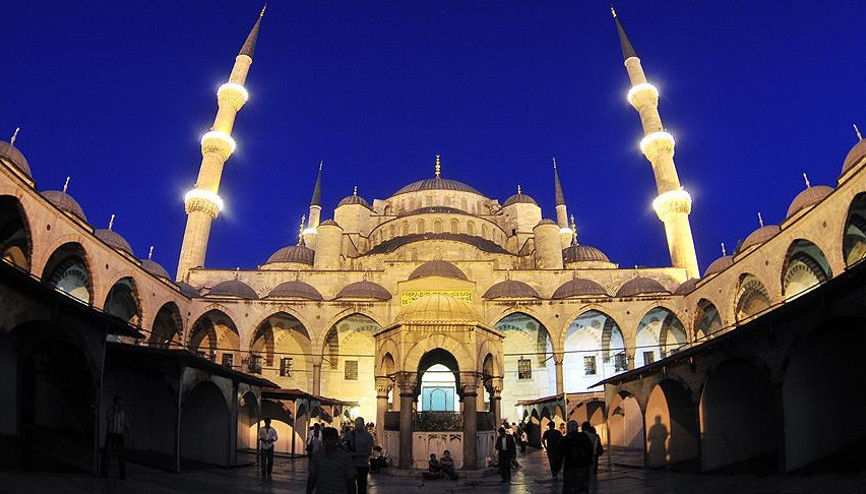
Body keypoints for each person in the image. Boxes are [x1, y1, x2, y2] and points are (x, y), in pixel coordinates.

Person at [307, 427, 357, 494]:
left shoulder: (345, 457)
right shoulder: (317, 456)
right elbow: (312, 477)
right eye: (325, 439)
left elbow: (351, 481)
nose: (328, 442)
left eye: (331, 439)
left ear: (336, 440)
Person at [558, 420, 594, 494]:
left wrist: (557, 467)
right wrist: (590, 462)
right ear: (577, 428)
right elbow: (590, 450)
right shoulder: (584, 436)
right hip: (583, 466)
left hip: (570, 467)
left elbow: (560, 454)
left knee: (569, 487)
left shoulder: (565, 439)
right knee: (583, 487)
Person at [101, 395, 127, 479]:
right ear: (115, 402)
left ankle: (122, 474)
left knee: (121, 455)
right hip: (111, 434)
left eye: (121, 403)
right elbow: (110, 419)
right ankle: (103, 472)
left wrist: (127, 429)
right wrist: (115, 412)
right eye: (118, 402)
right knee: (107, 453)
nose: (120, 405)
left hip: (119, 435)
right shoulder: (110, 410)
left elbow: (123, 423)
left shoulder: (122, 412)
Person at [346, 416, 374, 494]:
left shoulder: (368, 437)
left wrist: (355, 454)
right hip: (351, 465)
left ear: (363, 424)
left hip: (362, 465)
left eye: (359, 424)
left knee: (362, 487)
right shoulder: (350, 434)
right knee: (350, 487)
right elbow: (344, 444)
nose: (357, 426)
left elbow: (368, 452)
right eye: (356, 424)